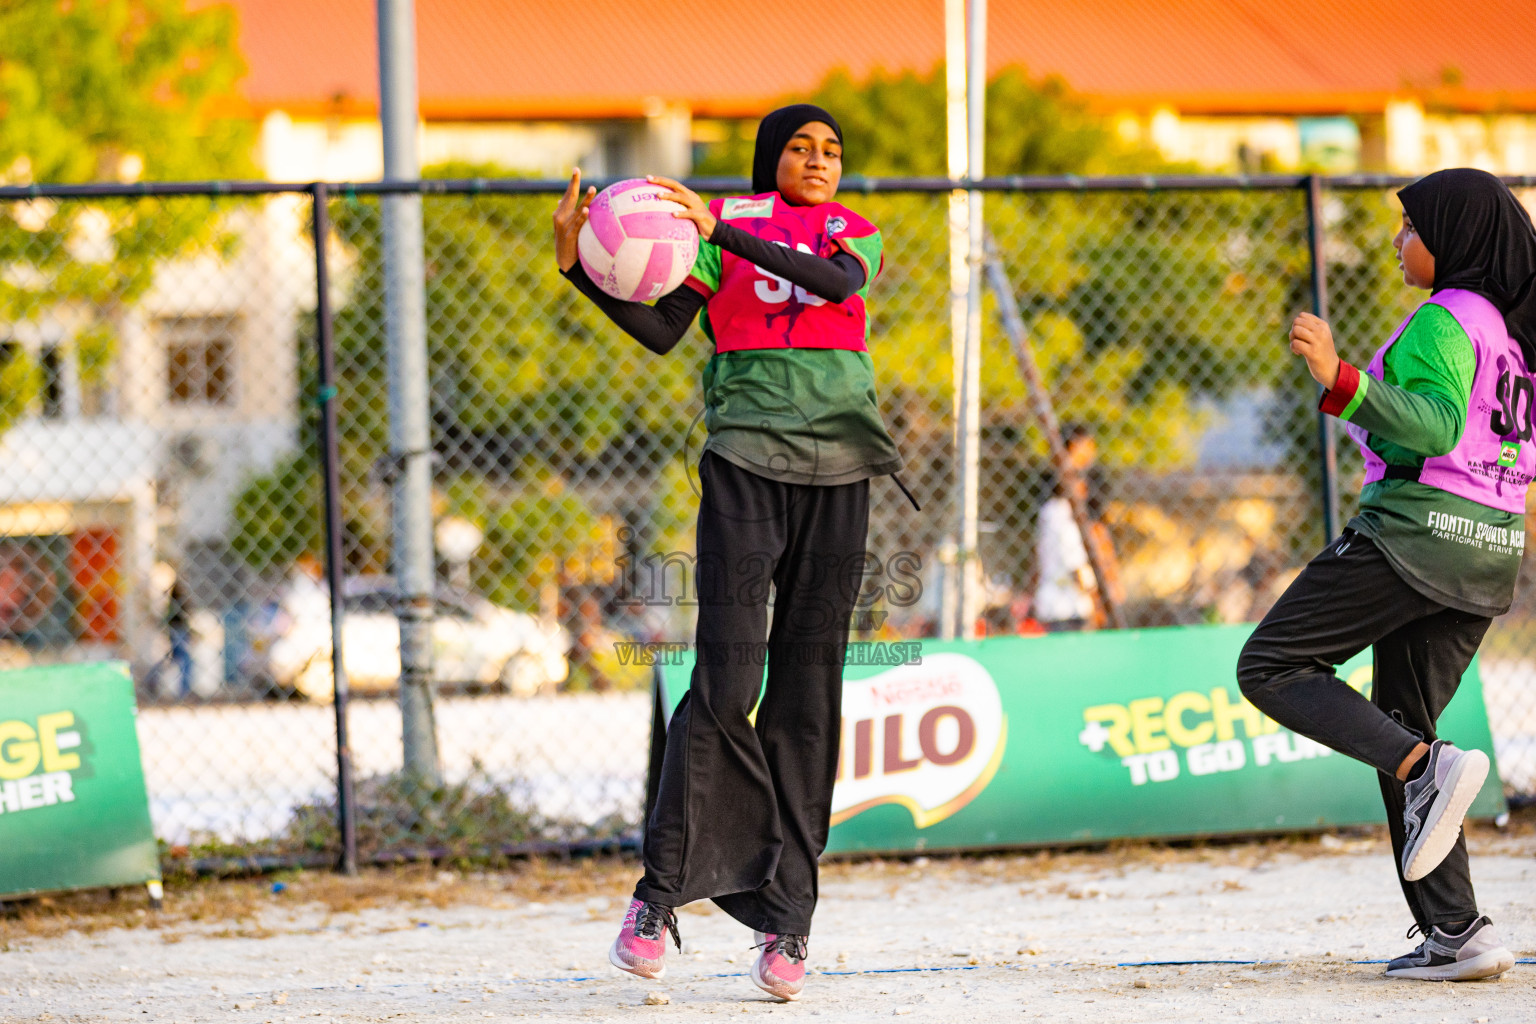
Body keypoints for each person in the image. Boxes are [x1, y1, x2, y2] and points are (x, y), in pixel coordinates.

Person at [552, 104, 912, 1001]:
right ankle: (659, 898)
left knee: (807, 691)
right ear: (769, 159)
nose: (820, 160)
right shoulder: (714, 232)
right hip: (745, 463)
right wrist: (577, 270)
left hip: (841, 475)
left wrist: (723, 231)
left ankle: (789, 920)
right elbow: (663, 326)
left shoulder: (852, 233)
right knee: (722, 681)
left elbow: (829, 285)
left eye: (833, 148)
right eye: (801, 147)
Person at [1237, 168, 1536, 982]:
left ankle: (1425, 771)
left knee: (1270, 665)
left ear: (1454, 236)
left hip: (1417, 536)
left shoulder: (1450, 318)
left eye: (1410, 226)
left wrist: (1343, 380)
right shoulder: (1516, 333)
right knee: (1403, 718)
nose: (1399, 239)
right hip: (1491, 548)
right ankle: (1458, 933)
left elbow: (1435, 428)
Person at [1033, 425, 1121, 630]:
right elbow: (1076, 568)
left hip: (1062, 605)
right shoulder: (1060, 514)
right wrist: (1098, 602)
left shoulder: (1053, 512)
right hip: (1067, 607)